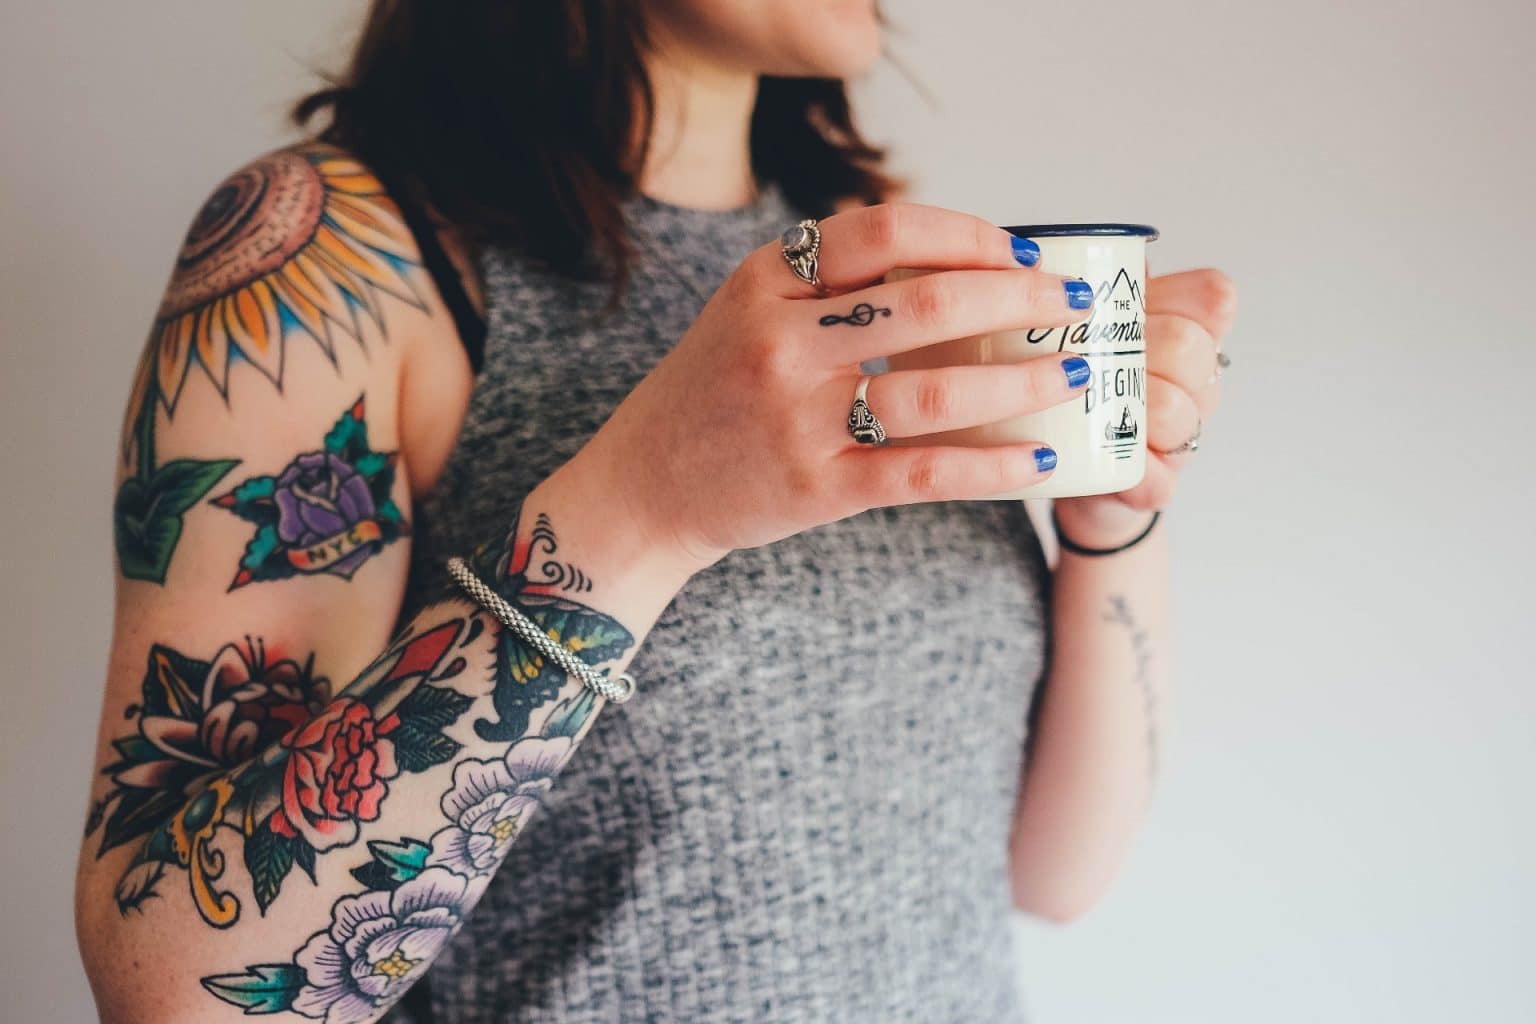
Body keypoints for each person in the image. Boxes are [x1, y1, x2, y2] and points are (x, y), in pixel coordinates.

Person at [73, 2, 1235, 1022]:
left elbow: (1052, 874)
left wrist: (1114, 514)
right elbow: (176, 993)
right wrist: (648, 505)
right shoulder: (332, 256)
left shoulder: (864, 259)